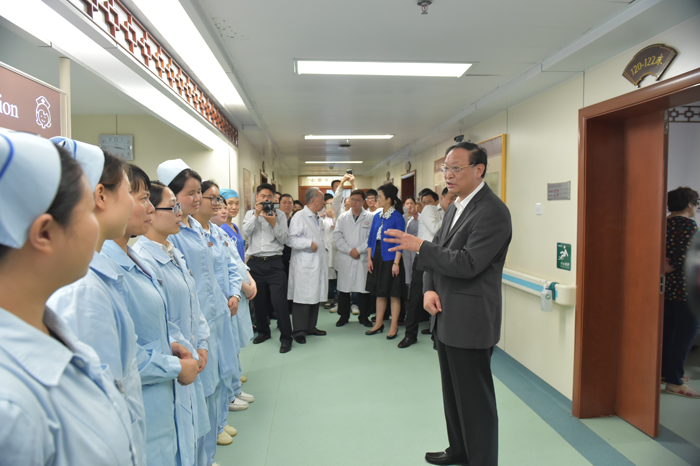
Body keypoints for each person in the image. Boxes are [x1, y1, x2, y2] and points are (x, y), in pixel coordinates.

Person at [0, 131, 138, 465]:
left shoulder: (50, 331)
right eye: (88, 212)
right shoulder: (10, 408)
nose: (95, 226)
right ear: (45, 233)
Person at [385, 141, 512, 466]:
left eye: (456, 168)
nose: (448, 175)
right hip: (445, 315)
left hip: (470, 321)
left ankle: (481, 460)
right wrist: (428, 289)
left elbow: (468, 263)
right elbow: (440, 250)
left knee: (476, 402)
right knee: (454, 394)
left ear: (479, 170)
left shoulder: (493, 212)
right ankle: (459, 450)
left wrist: (418, 246)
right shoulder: (456, 207)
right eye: (446, 168)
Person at [46, 139, 147, 465]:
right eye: (129, 192)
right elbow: (102, 401)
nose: (134, 205)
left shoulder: (94, 276)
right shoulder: (82, 289)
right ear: (100, 196)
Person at [102, 164, 200, 466]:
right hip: (145, 403)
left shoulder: (133, 260)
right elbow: (119, 358)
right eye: (142, 199)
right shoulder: (103, 273)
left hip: (163, 397)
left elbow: (154, 320)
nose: (149, 208)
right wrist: (174, 366)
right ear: (101, 198)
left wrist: (172, 343)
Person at [157, 159, 235, 465]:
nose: (197, 198)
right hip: (190, 326)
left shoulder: (197, 228)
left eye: (197, 192)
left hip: (210, 317)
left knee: (215, 382)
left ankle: (213, 440)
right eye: (190, 193)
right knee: (199, 397)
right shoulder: (173, 233)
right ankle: (203, 454)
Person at [133, 181, 211, 466]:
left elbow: (193, 303)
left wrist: (202, 343)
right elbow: (162, 321)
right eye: (173, 207)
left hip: (189, 358)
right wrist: (185, 352)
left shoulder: (172, 251)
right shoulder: (144, 259)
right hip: (174, 365)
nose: (180, 213)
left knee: (195, 436)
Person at [194, 180, 251, 443]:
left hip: (222, 305)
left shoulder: (215, 232)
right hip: (205, 311)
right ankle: (215, 426)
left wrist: (235, 293)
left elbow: (231, 264)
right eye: (214, 199)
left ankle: (221, 420)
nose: (221, 206)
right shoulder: (188, 235)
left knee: (224, 362)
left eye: (221, 200)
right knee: (210, 373)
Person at [243, 183, 294, 353]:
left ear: (274, 199)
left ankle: (286, 338)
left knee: (279, 302)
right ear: (257, 198)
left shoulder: (280, 215)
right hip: (255, 262)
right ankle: (263, 332)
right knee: (258, 301)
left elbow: (285, 239)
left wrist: (273, 223)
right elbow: (246, 233)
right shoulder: (250, 214)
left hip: (275, 262)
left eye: (269, 197)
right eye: (263, 196)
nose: (266, 199)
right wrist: (256, 215)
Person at [662, 187, 700, 398]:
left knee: (667, 333)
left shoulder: (663, 223)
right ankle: (674, 381)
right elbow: (684, 258)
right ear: (690, 205)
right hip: (685, 290)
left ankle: (665, 373)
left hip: (665, 289)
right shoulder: (688, 225)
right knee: (685, 336)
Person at [399, 189, 445, 348]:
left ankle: (436, 335)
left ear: (438, 201)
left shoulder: (446, 213)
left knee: (440, 298)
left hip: (440, 259)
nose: (425, 206)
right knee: (416, 298)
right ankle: (410, 335)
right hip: (424, 258)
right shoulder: (428, 212)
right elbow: (436, 230)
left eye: (429, 202)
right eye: (423, 202)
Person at [287, 187, 329, 343]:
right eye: (321, 199)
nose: (323, 202)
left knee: (314, 295)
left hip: (316, 262)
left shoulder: (317, 217)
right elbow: (291, 239)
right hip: (304, 264)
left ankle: (311, 327)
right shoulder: (299, 216)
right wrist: (308, 243)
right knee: (302, 297)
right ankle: (299, 331)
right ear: (313, 200)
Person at [365, 184, 405, 339]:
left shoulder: (397, 217)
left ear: (388, 199)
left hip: (392, 258)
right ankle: (378, 323)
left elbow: (400, 242)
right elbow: (371, 239)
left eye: (380, 197)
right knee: (379, 293)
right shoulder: (377, 216)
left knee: (394, 294)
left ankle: (393, 326)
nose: (377, 199)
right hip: (377, 257)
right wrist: (369, 258)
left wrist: (396, 263)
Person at [333, 189, 374, 327]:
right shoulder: (342, 217)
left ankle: (364, 317)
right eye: (352, 199)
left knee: (363, 290)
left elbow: (371, 237)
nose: (354, 202)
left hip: (362, 257)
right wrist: (350, 250)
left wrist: (359, 250)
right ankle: (343, 316)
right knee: (344, 289)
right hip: (346, 256)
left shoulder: (370, 217)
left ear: (363, 202)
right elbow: (337, 236)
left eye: (357, 200)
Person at [220, 188, 246, 261]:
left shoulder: (234, 227)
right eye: (230, 203)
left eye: (237, 203)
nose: (234, 207)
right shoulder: (220, 228)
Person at [322, 193, 338, 310]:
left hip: (337, 251)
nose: (329, 207)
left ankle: (337, 299)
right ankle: (329, 298)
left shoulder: (340, 216)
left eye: (331, 204)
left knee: (338, 276)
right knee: (327, 276)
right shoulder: (321, 218)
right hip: (326, 251)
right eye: (327, 204)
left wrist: (334, 218)